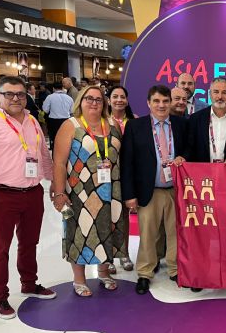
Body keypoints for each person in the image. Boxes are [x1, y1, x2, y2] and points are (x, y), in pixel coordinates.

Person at [0, 75, 56, 319]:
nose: (16, 98)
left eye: (20, 94)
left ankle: (29, 283)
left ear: (26, 96)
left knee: (29, 242)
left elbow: (43, 155)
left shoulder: (32, 121)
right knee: (0, 248)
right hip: (2, 194)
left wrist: (53, 181)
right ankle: (0, 296)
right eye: (9, 94)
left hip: (32, 192)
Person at [51, 86, 127, 297]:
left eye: (98, 99)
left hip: (111, 190)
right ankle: (79, 279)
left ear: (104, 103)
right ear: (80, 101)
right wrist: (59, 192)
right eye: (89, 98)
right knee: (79, 231)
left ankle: (104, 272)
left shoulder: (112, 124)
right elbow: (59, 162)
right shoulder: (71, 125)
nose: (94, 103)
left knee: (107, 229)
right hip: (80, 191)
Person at [121, 85, 189, 295]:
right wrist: (129, 194)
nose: (161, 105)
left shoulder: (181, 124)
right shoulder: (135, 126)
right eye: (157, 101)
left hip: (175, 189)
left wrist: (183, 157)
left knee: (175, 233)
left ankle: (175, 270)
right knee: (148, 234)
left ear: (170, 103)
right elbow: (127, 162)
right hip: (148, 189)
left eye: (165, 101)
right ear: (148, 103)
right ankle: (144, 272)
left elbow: (190, 149)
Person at [185, 77, 226, 165]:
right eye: (216, 92)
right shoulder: (196, 119)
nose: (220, 97)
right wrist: (183, 158)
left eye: (224, 92)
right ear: (210, 94)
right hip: (203, 172)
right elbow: (190, 148)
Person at [106, 86, 136, 273]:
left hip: (127, 174)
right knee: (107, 215)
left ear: (127, 100)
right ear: (108, 100)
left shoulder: (134, 121)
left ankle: (124, 253)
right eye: (115, 96)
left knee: (124, 216)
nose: (119, 100)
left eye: (122, 97)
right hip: (107, 174)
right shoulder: (102, 121)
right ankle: (108, 256)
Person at [42, 81, 73, 150]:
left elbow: (45, 110)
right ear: (62, 88)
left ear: (53, 88)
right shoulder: (69, 98)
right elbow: (72, 111)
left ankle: (55, 153)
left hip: (54, 122)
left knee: (55, 139)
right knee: (66, 139)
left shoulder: (50, 97)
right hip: (66, 120)